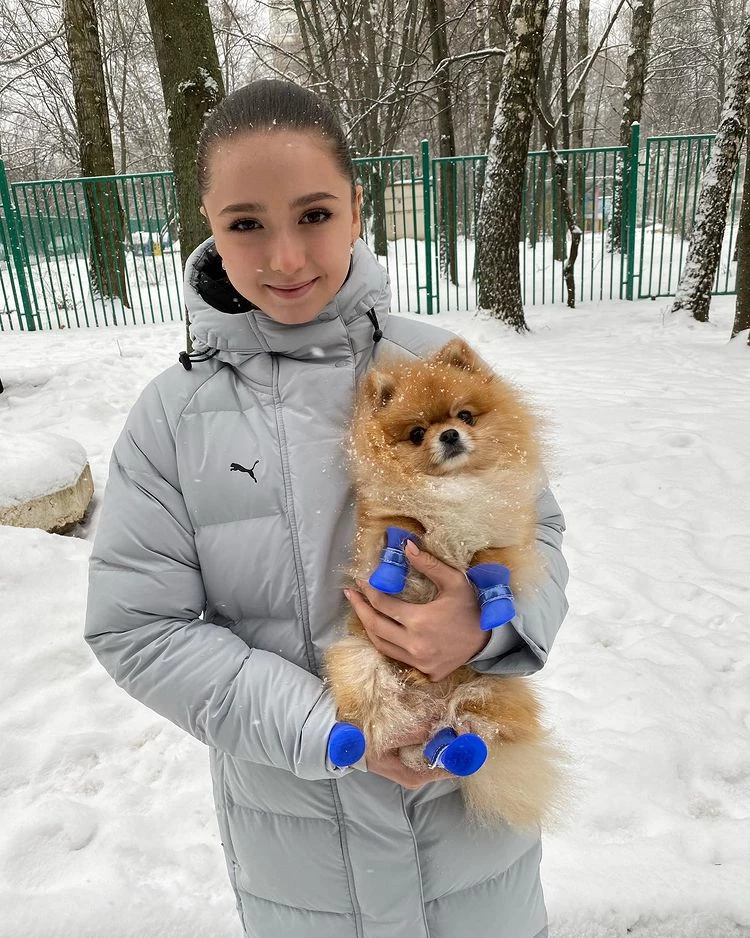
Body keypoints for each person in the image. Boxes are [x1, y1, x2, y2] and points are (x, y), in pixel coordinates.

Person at [85, 79, 569, 938]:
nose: (286, 258)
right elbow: (138, 628)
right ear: (209, 224)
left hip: (470, 834)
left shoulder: (437, 368)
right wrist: (331, 727)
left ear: (355, 207)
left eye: (313, 214)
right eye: (246, 224)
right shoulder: (173, 418)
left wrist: (487, 627)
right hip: (301, 853)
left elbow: (543, 531)